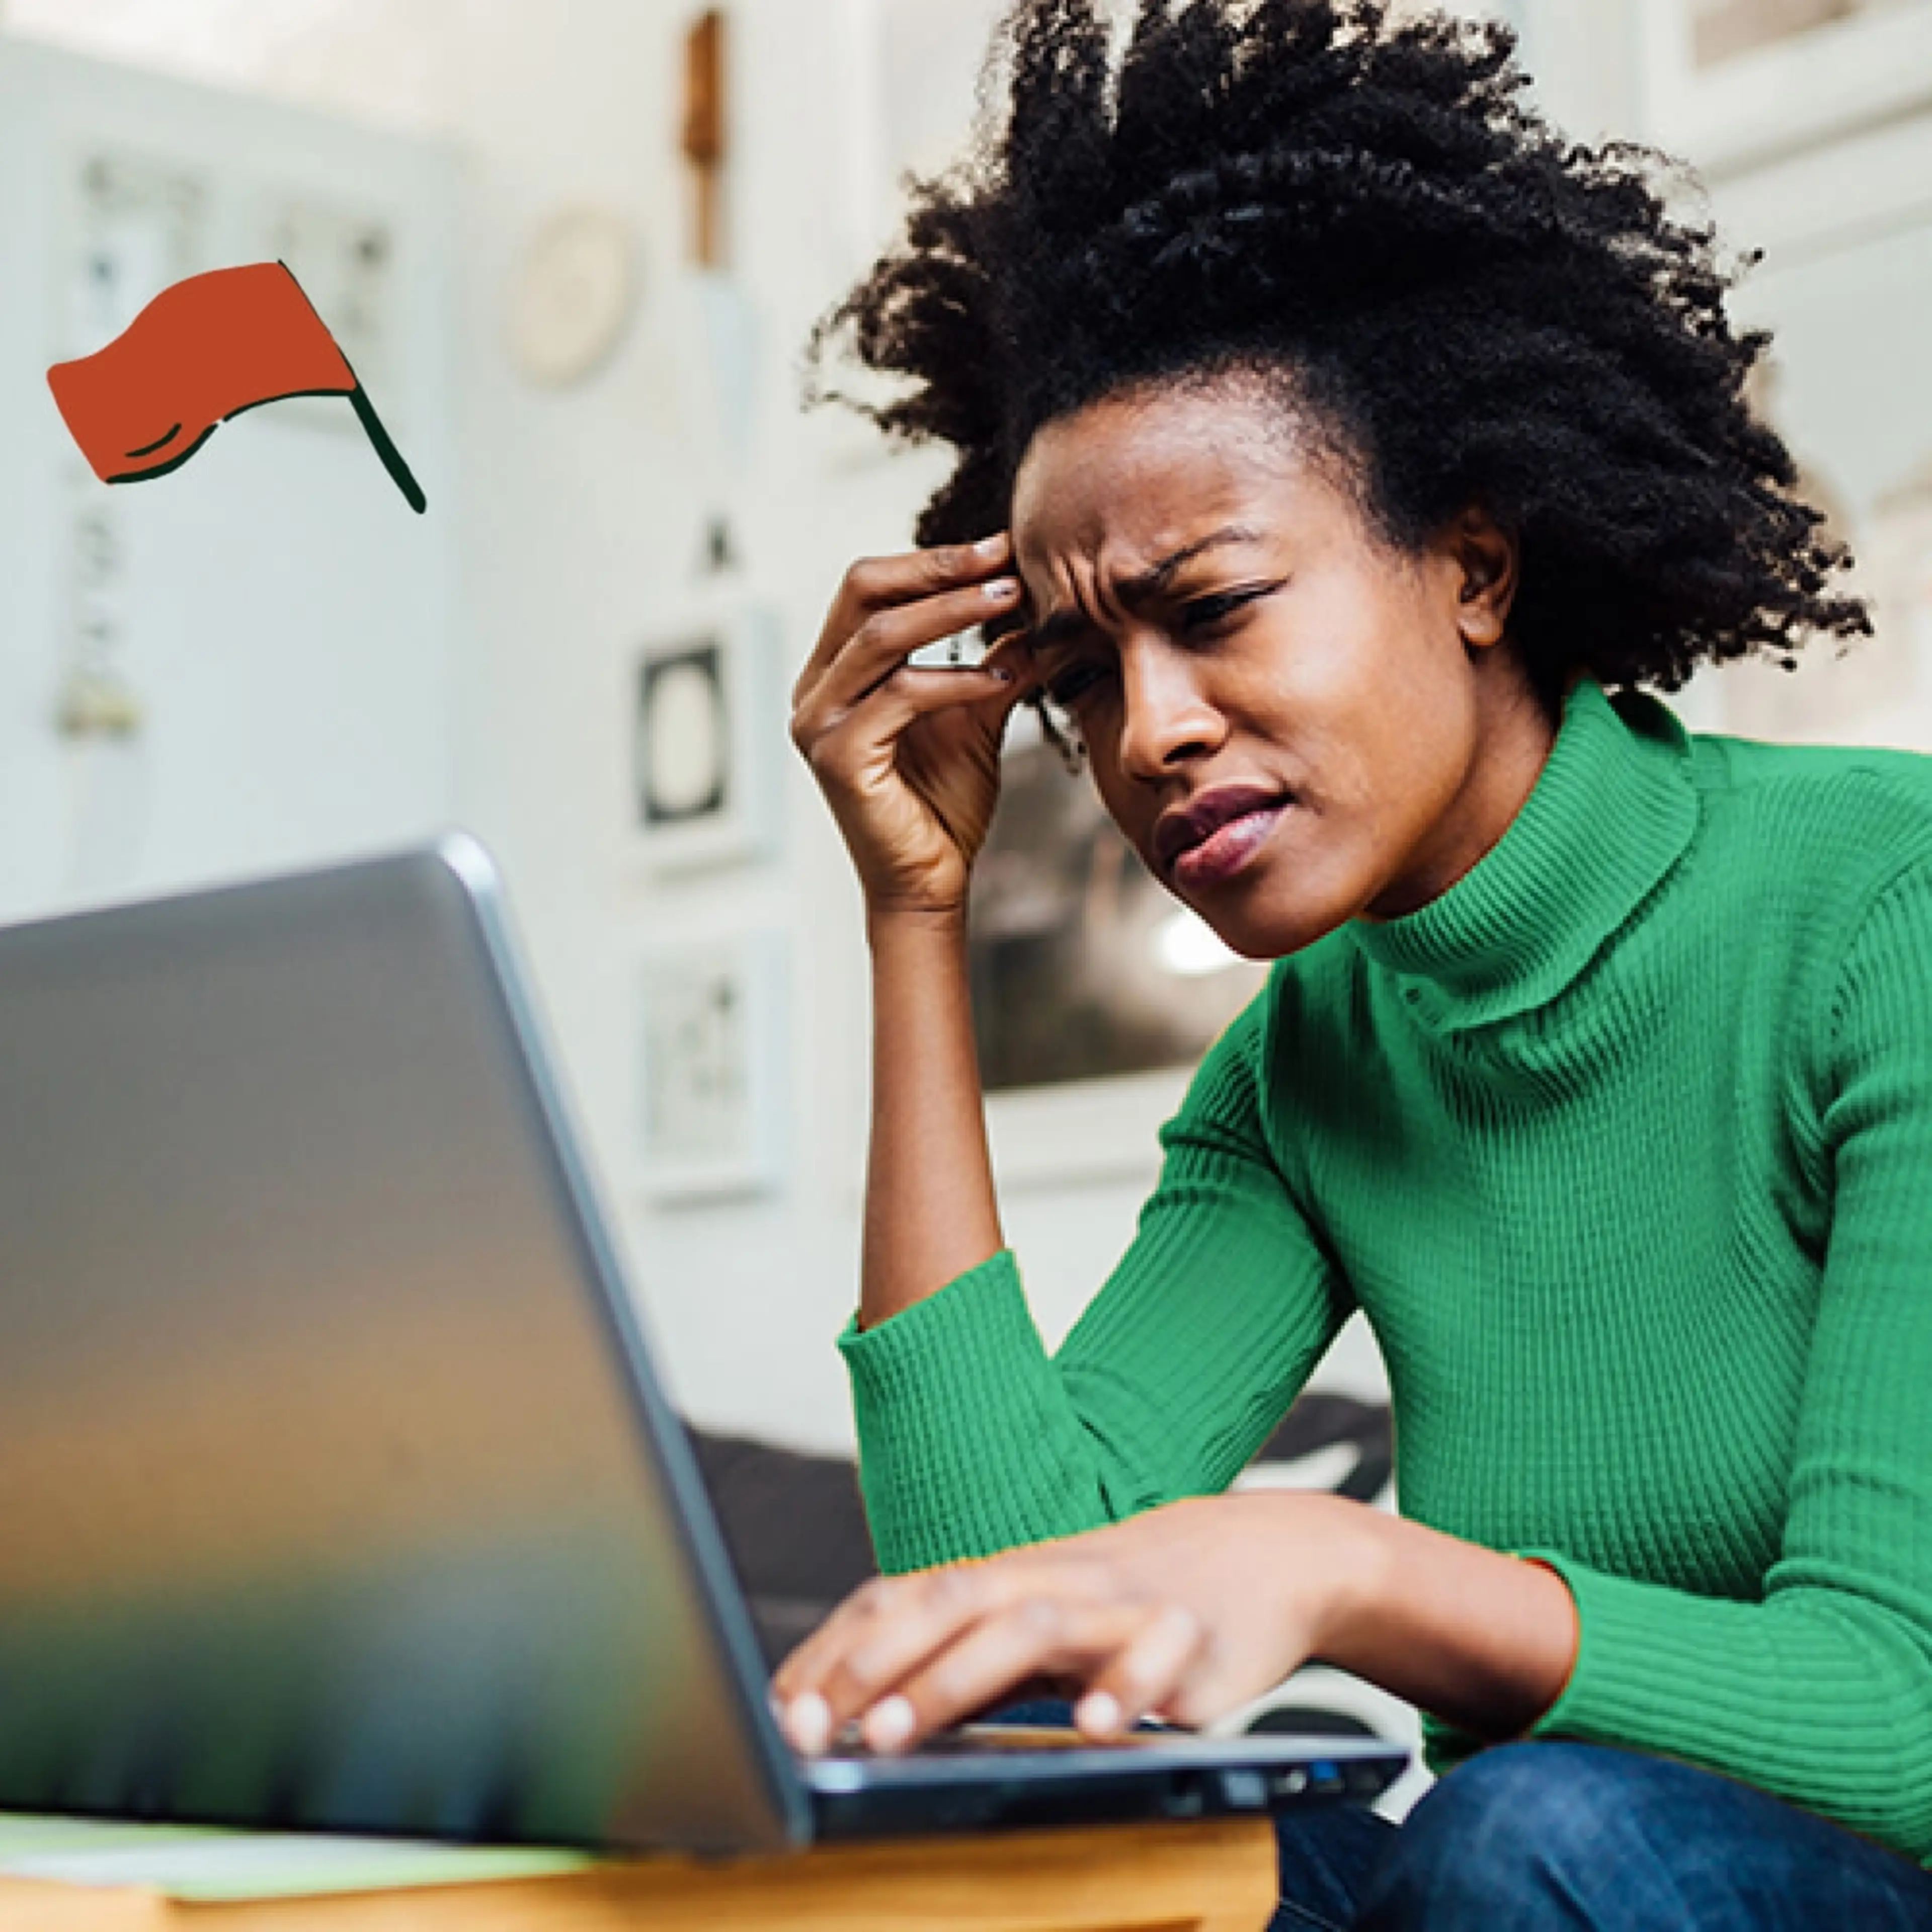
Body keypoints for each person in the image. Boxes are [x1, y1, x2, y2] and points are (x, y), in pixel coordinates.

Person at [779, 2, 1932, 1924]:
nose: (1147, 734)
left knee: (1529, 1827)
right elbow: (1015, 1632)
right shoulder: (1308, 1063)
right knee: (1135, 1854)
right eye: (1083, 675)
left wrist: (1344, 1575)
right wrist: (915, 918)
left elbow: (1899, 1718)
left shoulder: (1885, 910)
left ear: (1471, 566)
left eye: (1215, 609)